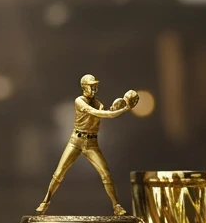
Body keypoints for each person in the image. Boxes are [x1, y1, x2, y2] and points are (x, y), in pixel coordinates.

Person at [37, 75, 137, 215]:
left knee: (106, 174)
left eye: (95, 86)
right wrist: (125, 109)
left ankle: (116, 206)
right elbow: (101, 114)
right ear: (84, 87)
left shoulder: (98, 103)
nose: (94, 89)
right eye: (91, 86)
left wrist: (117, 108)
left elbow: (105, 112)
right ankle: (45, 202)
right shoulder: (79, 101)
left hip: (91, 143)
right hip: (76, 141)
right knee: (59, 173)